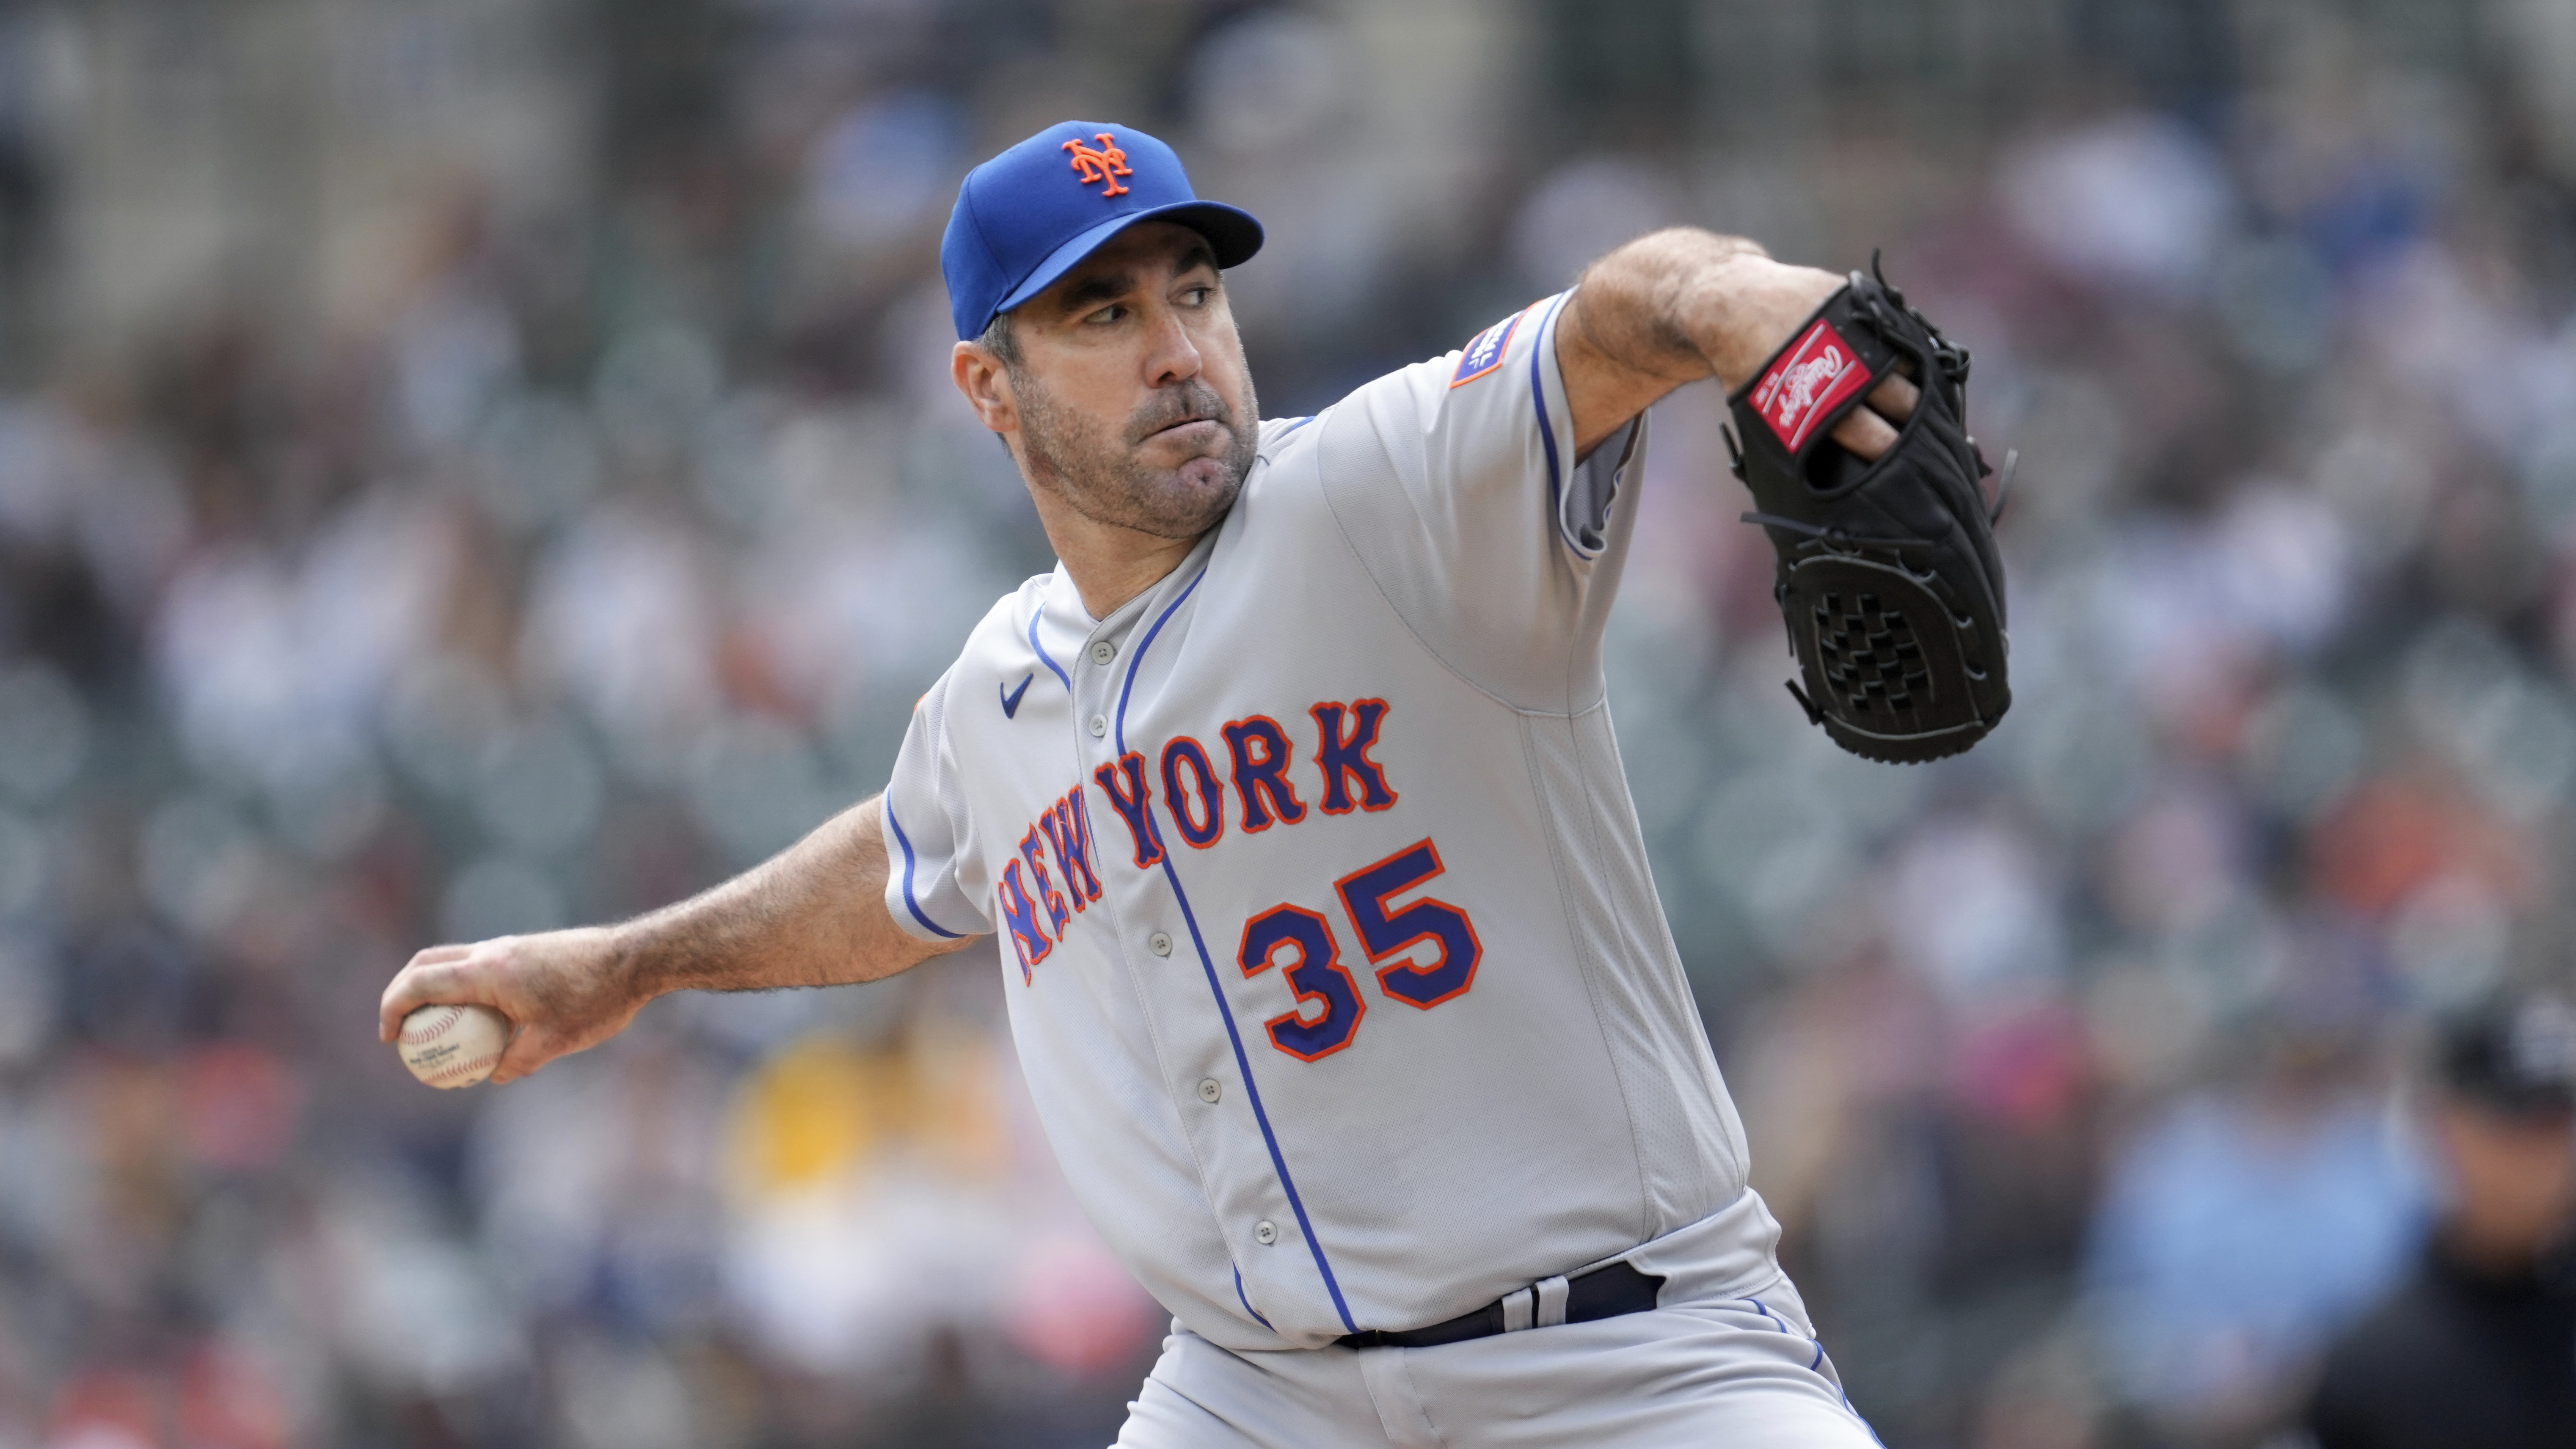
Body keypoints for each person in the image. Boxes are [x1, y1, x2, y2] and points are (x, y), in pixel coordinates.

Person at [380, 119, 1924, 1446]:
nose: (1179, 346)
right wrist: (624, 966)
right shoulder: (999, 687)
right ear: (990, 389)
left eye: (1195, 291)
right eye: (1104, 313)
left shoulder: (1379, 497)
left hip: (1628, 1355)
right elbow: (913, 859)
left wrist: (1737, 301)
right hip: (1260, 1396)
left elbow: (1619, 312)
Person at [2303, 994, 2576, 1449]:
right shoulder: (2375, 1364)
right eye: (2513, 1125)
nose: (2538, 1160)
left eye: (2556, 1126)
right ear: (2444, 1127)